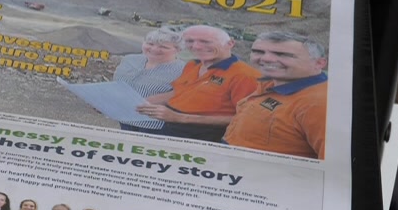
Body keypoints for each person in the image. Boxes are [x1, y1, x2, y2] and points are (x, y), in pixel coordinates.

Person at [136, 25, 262, 140]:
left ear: (230, 43)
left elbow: (247, 119)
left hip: (204, 137)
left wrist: (181, 118)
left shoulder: (245, 76)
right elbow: (180, 92)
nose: (196, 47)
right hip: (170, 128)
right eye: (190, 41)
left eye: (206, 41)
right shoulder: (193, 64)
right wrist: (138, 102)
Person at [224, 31, 330, 159]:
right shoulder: (270, 83)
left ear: (319, 63)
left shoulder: (319, 103)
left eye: (282, 54)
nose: (266, 58)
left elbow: (333, 167)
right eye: (259, 52)